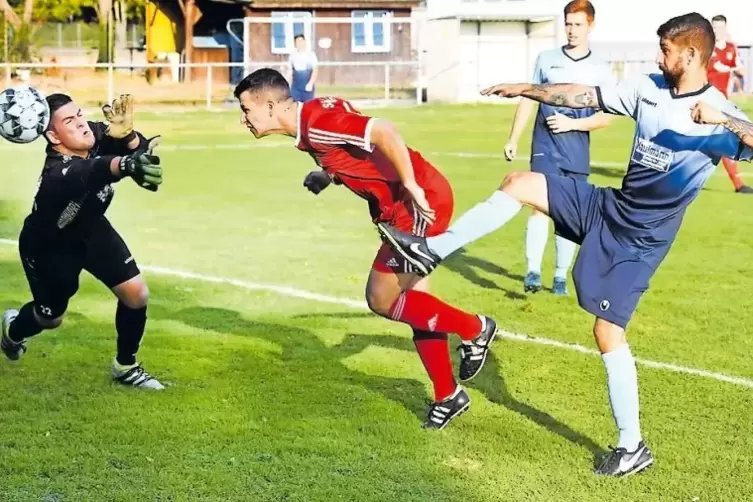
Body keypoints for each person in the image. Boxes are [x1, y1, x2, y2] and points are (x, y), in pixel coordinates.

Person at [376, 13, 753, 475]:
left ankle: (632, 446)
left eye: (667, 51)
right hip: (608, 206)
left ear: (691, 55)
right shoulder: (648, 87)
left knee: (607, 333)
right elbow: (582, 95)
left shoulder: (719, 112)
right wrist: (526, 89)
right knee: (518, 182)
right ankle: (431, 250)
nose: (660, 57)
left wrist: (727, 122)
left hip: (642, 240)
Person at [233, 69, 498, 429]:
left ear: (268, 106)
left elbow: (384, 131)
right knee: (417, 303)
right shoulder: (313, 119)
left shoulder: (317, 122)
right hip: (399, 211)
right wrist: (327, 175)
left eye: (246, 110)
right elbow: (353, 135)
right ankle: (447, 395)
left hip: (417, 205)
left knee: (381, 297)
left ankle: (475, 328)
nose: (243, 119)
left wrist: (411, 185)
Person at [0, 93, 166, 390]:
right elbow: (98, 170)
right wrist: (127, 165)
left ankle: (125, 367)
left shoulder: (94, 134)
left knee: (136, 294)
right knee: (50, 318)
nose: (81, 124)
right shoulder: (58, 173)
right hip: (50, 248)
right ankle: (12, 332)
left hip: (91, 229)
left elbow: (139, 152)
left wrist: (128, 137)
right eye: (69, 121)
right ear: (53, 136)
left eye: (79, 114)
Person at [505, 0, 614, 295]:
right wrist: (514, 138)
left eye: (578, 24)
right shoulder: (546, 58)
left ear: (590, 25)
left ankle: (560, 277)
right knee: (539, 207)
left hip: (577, 150)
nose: (571, 30)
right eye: (567, 23)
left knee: (569, 214)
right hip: (545, 146)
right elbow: (529, 98)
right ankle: (531, 272)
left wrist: (573, 125)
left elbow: (606, 118)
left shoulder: (601, 69)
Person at [707, 14, 752, 193]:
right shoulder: (707, 48)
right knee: (726, 139)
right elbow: (711, 68)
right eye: (714, 27)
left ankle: (738, 185)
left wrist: (736, 69)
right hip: (707, 102)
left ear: (725, 29)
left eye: (720, 27)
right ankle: (738, 185)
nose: (717, 31)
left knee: (725, 140)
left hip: (723, 102)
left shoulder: (732, 49)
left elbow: (741, 69)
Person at [286, 34, 318, 103]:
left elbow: (315, 70)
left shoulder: (311, 55)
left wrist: (311, 83)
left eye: (301, 41)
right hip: (296, 86)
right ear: (295, 44)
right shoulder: (292, 56)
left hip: (307, 84)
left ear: (304, 42)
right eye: (297, 42)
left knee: (308, 107)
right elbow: (290, 71)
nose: (299, 43)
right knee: (293, 106)